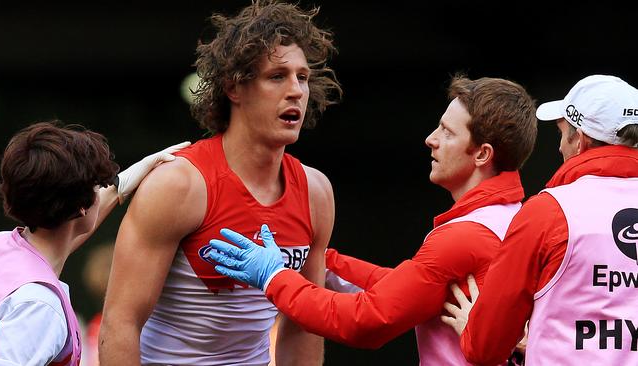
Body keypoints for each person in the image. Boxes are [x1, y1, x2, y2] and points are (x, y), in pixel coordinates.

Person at [208, 74, 537, 364]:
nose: (431, 139)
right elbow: (413, 287)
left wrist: (273, 276)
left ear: (482, 154)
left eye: (448, 132)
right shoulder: (514, 216)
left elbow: (366, 321)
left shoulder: (464, 236)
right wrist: (320, 262)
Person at [98, 1, 342, 365]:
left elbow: (303, 324)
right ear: (233, 87)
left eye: (302, 77)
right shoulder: (179, 184)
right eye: (277, 76)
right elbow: (120, 323)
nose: (296, 91)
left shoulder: (316, 191)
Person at [442, 74, 638, 365]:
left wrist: (475, 328)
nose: (560, 147)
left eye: (562, 133)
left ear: (580, 140)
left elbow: (486, 347)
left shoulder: (549, 211)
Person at [0, 121, 188, 365]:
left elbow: (67, 229)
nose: (101, 190)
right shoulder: (39, 306)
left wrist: (121, 184)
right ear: (81, 207)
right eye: (98, 186)